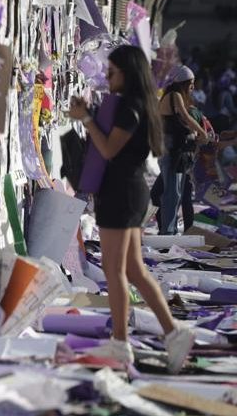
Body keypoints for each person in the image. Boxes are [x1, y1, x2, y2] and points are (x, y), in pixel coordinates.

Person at [69, 45, 195, 372]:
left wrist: (85, 119)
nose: (107, 78)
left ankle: (121, 344)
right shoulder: (139, 105)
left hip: (121, 193)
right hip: (129, 191)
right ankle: (172, 333)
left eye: (111, 73)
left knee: (115, 271)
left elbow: (109, 149)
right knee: (133, 270)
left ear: (127, 73)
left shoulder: (130, 107)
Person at [157, 66, 210, 235]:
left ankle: (169, 230)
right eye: (190, 83)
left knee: (177, 192)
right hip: (171, 148)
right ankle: (167, 232)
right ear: (182, 83)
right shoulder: (175, 95)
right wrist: (202, 133)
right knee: (172, 193)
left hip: (174, 148)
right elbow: (186, 118)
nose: (193, 86)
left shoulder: (173, 95)